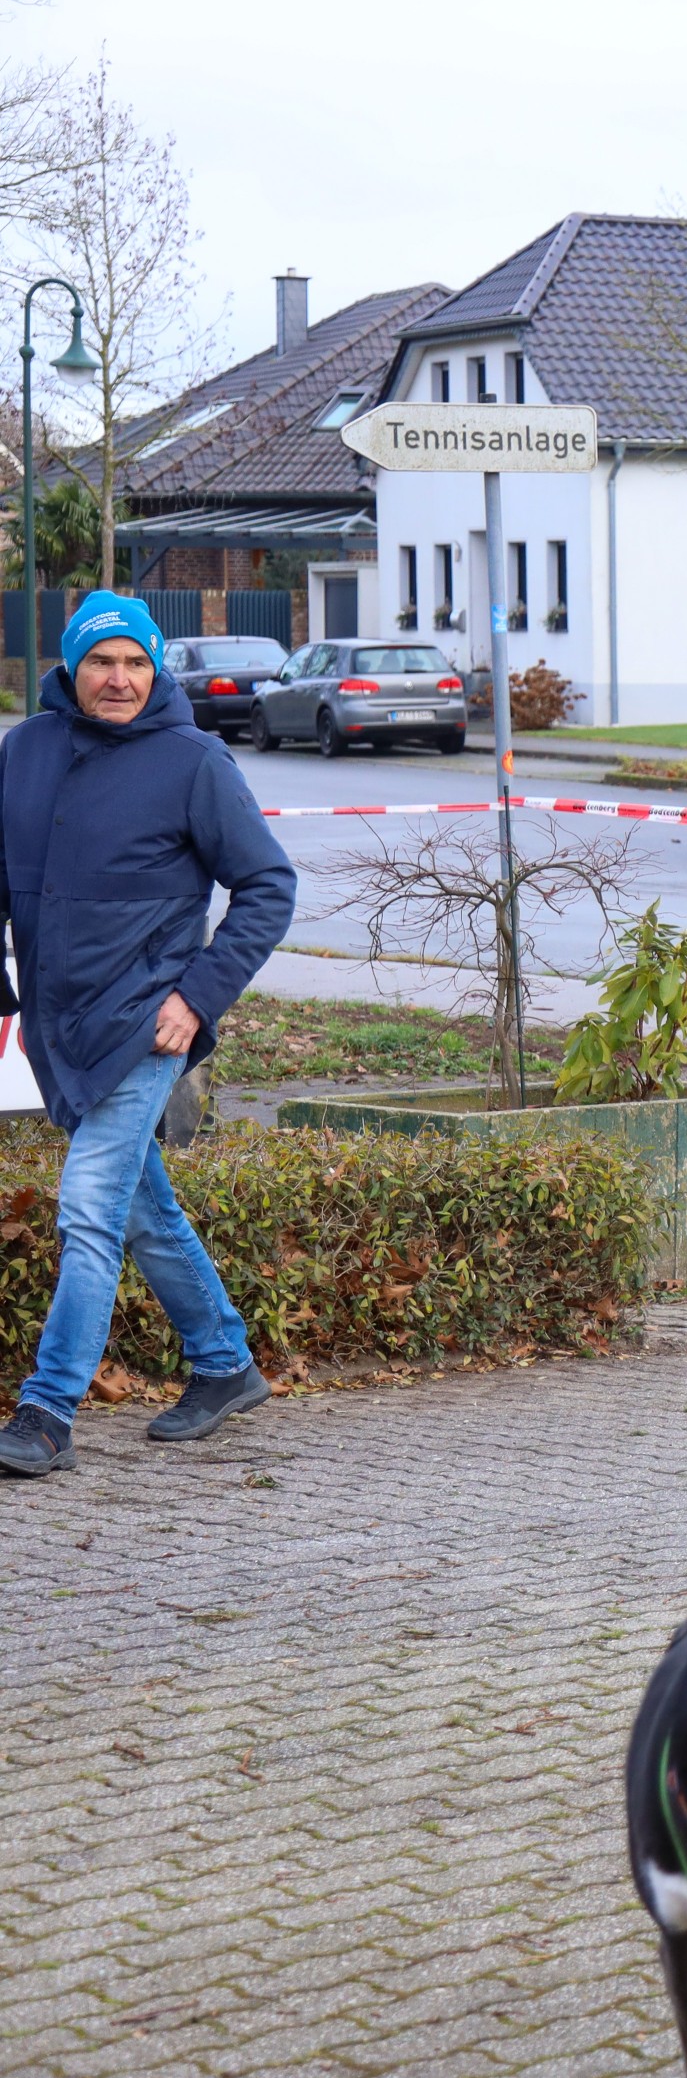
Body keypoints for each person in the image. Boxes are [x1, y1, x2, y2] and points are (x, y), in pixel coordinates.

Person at [0, 592, 297, 1479]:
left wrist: (197, 999)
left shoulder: (194, 760)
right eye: (102, 661)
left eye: (136, 662)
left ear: (156, 667)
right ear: (71, 666)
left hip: (146, 1027)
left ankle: (47, 1414)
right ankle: (225, 1363)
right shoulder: (25, 750)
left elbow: (268, 887)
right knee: (140, 1206)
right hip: (59, 1028)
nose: (120, 679)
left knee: (89, 1207)